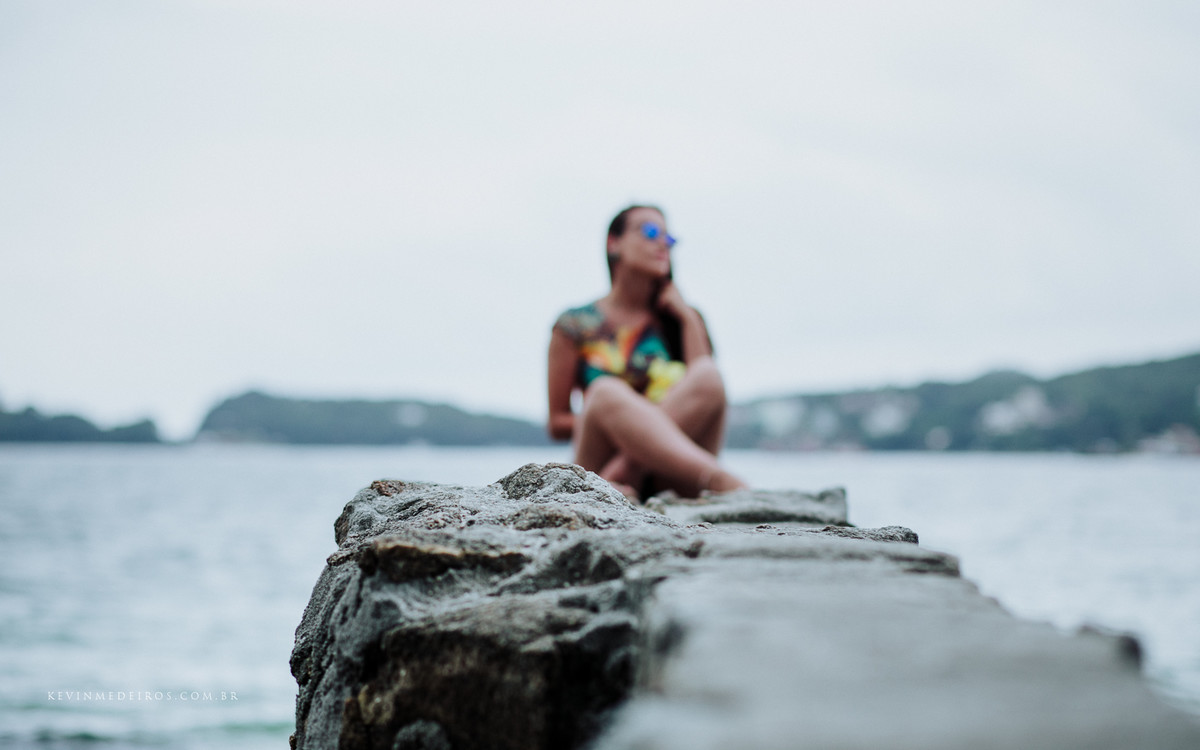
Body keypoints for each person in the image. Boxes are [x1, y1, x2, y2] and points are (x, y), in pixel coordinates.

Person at [547, 205, 748, 500]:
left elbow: (706, 392)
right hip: (598, 464)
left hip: (669, 472)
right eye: (651, 232)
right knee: (605, 393)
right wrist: (629, 421)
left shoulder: (680, 318)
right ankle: (721, 479)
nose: (663, 243)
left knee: (708, 374)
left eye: (669, 238)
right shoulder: (575, 324)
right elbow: (557, 423)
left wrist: (686, 316)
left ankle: (625, 471)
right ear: (613, 243)